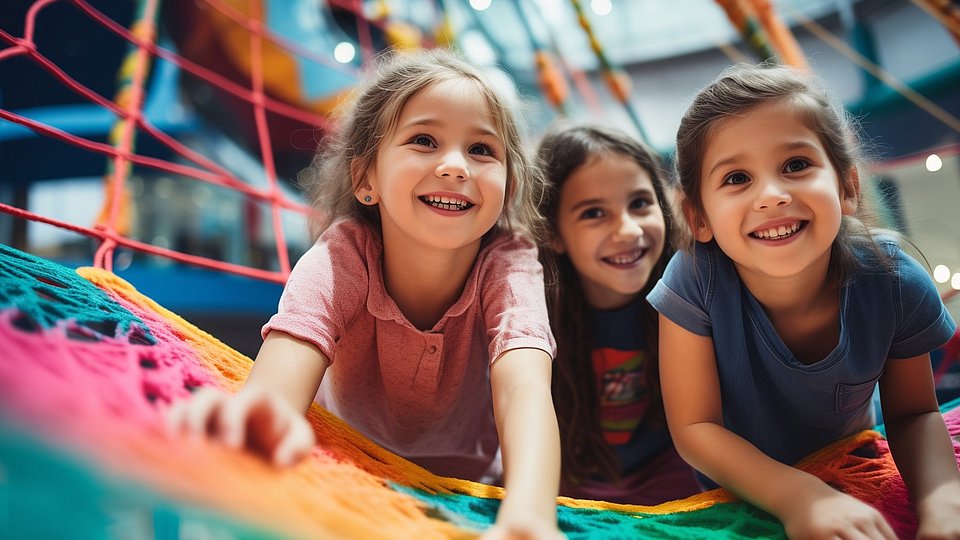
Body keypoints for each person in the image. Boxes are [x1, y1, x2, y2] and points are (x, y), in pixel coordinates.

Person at [167, 49, 563, 539]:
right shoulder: (345, 255)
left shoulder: (508, 263)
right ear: (365, 178)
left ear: (510, 183)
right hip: (351, 472)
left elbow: (523, 386)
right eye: (424, 140)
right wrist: (265, 412)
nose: (457, 166)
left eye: (482, 150)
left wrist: (528, 514)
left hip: (466, 490)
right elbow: (294, 347)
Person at [648, 63, 960, 538]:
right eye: (736, 178)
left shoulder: (894, 280)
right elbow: (696, 429)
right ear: (698, 217)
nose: (772, 195)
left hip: (853, 463)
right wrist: (801, 499)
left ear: (847, 187)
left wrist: (942, 502)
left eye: (795, 165)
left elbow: (914, 413)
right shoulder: (695, 281)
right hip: (742, 496)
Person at [535, 123, 699, 505]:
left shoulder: (693, 291)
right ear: (553, 233)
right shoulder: (532, 314)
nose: (627, 231)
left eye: (640, 203)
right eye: (594, 213)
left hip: (682, 474)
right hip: (577, 486)